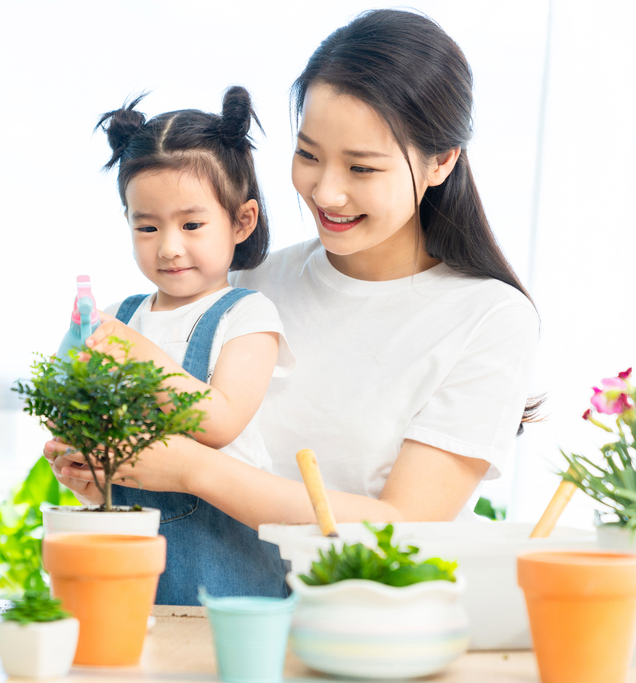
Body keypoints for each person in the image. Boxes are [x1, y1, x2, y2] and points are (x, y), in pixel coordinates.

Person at [47, 8, 539, 597]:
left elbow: (408, 527)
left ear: (442, 161)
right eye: (309, 154)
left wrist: (191, 469)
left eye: (362, 167)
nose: (325, 191)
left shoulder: (489, 318)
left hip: (384, 630)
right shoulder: (249, 283)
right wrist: (107, 468)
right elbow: (190, 466)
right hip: (227, 617)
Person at [77, 87, 296, 605]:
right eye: (147, 227)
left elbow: (218, 422)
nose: (169, 246)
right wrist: (84, 462)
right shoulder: (122, 315)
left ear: (242, 220)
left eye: (192, 225)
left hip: (230, 567)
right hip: (130, 563)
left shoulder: (248, 316)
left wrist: (136, 354)